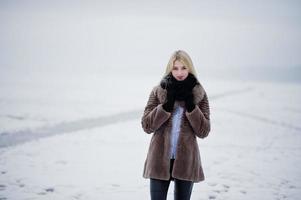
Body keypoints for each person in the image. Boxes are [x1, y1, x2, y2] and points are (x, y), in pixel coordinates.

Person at [141, 50, 211, 200]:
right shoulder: (159, 91)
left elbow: (204, 131)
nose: (179, 72)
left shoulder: (199, 94)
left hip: (187, 161)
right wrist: (166, 106)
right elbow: (146, 125)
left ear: (190, 68)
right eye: (175, 68)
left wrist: (191, 106)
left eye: (184, 68)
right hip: (159, 159)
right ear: (170, 69)